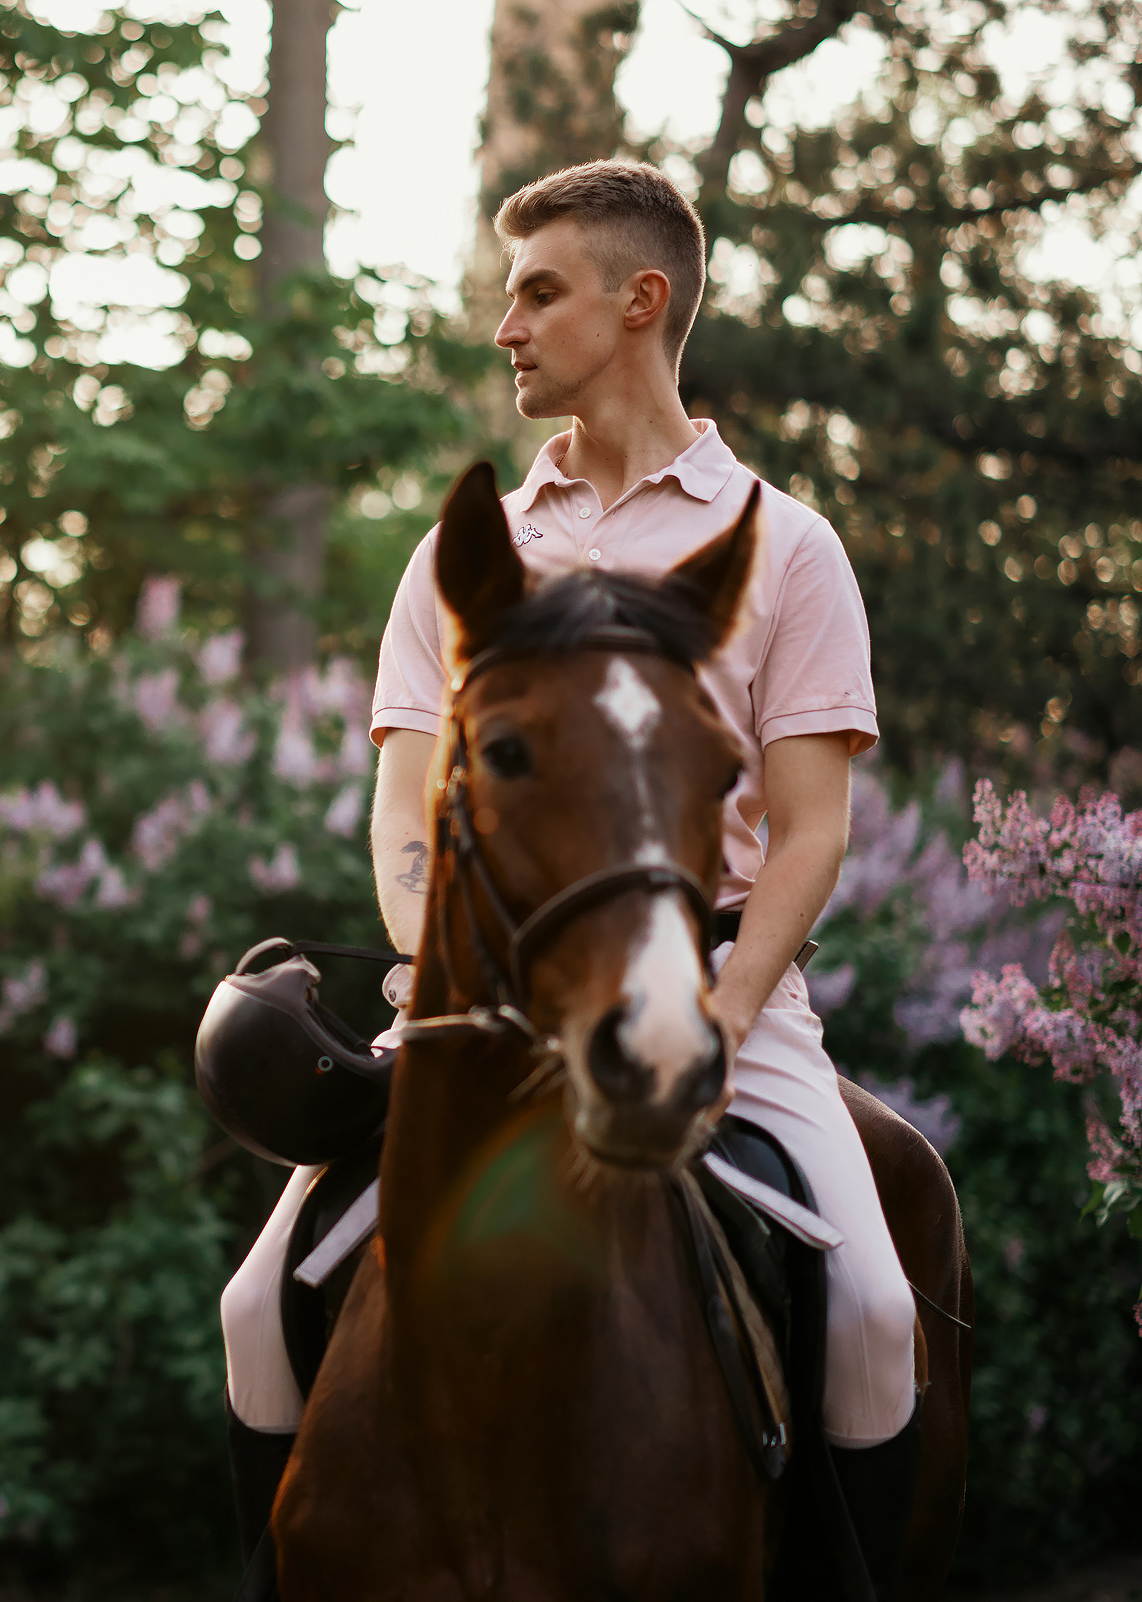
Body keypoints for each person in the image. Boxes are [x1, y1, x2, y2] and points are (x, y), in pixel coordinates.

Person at [217, 160, 922, 1592]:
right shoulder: (463, 555)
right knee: (253, 1303)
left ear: (638, 300)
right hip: (479, 1006)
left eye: (539, 290)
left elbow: (808, 831)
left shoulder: (786, 548)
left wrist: (718, 1016)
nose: (507, 325)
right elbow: (402, 805)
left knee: (876, 1310)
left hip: (719, 1003)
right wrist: (434, 976)